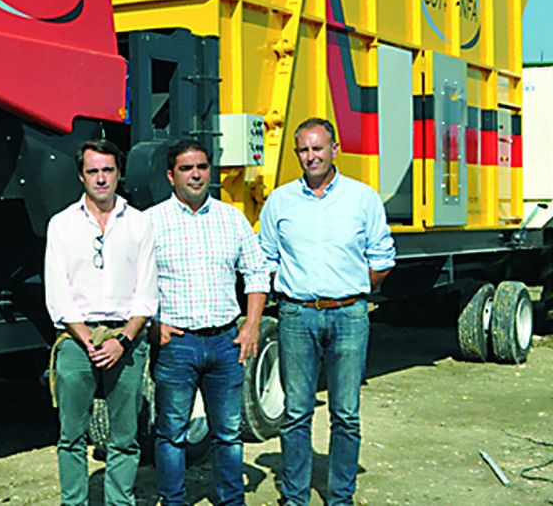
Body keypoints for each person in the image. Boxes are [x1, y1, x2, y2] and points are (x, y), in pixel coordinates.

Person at [258, 118, 395, 506]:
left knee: (346, 414)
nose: (311, 156)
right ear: (296, 154)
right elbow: (265, 255)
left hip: (349, 314)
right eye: (303, 149)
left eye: (318, 148)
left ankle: (340, 497)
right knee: (296, 412)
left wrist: (353, 288)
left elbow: (383, 257)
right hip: (297, 316)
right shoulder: (281, 201)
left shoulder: (362, 198)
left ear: (335, 149)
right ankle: (296, 497)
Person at [147, 139, 269, 506]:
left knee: (229, 433)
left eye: (201, 167)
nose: (196, 174)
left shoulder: (231, 218)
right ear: (171, 176)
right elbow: (132, 280)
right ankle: (173, 500)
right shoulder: (151, 221)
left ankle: (231, 500)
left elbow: (257, 272)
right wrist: (153, 325)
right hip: (177, 344)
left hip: (224, 342)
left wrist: (251, 325)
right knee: (171, 433)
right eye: (186, 168)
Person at [44, 138, 157, 506]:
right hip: (78, 340)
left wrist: (122, 341)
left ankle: (119, 501)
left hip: (126, 336)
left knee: (124, 437)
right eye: (93, 171)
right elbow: (58, 294)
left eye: (108, 170)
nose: (101, 178)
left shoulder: (140, 223)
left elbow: (147, 292)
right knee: (71, 436)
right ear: (81, 176)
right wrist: (89, 340)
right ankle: (73, 502)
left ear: (119, 173)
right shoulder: (61, 225)